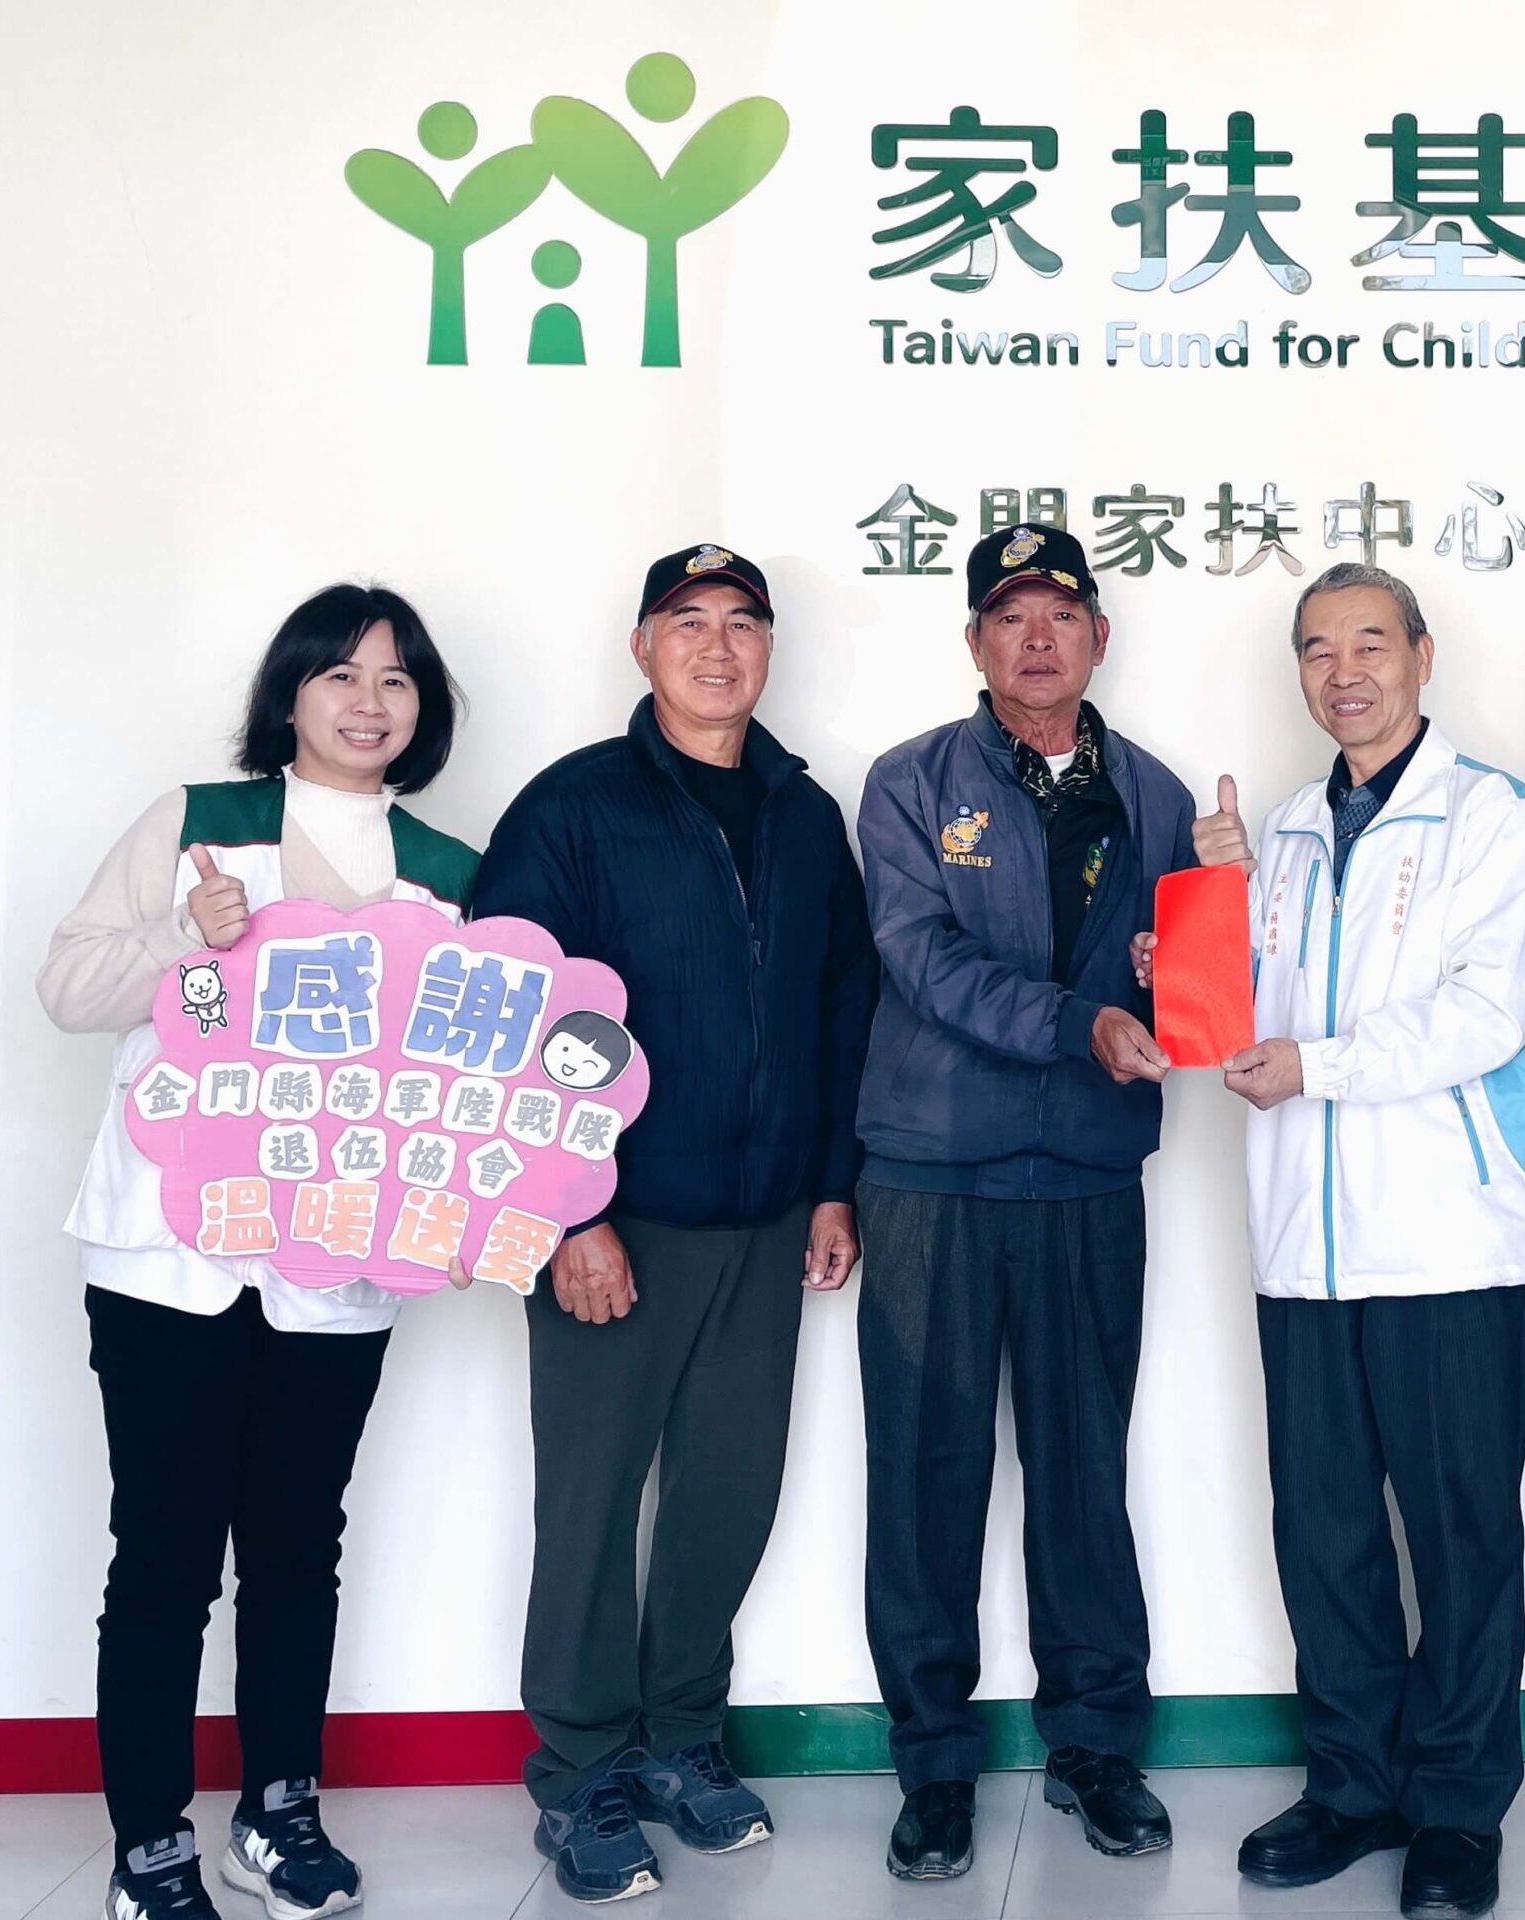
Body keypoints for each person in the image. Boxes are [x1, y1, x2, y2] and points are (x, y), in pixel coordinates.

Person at [38, 583, 477, 1920]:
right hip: (171, 1257)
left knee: (297, 1549)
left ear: (424, 709)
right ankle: (149, 1847)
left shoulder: (450, 874)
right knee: (164, 1555)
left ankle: (278, 1816)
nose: (367, 702)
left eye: (396, 679)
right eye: (338, 674)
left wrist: (466, 1209)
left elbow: (461, 1089)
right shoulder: (196, 825)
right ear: (288, 696)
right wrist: (190, 940)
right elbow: (67, 987)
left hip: (335, 1270)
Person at [1138, 562, 1525, 1920]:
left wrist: (1313, 1066)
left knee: (1460, 1539)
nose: (1345, 671)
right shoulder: (1281, 830)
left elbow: (1486, 1013)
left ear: (1424, 656)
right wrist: (1194, 941)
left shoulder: (1493, 816)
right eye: (1319, 650)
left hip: (1446, 1241)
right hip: (1302, 1247)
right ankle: (1353, 1784)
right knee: (1323, 1533)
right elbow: (1250, 1010)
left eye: (1371, 642)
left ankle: (1458, 1810)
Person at [468, 544, 877, 1905]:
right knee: (591, 1500)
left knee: (728, 1491)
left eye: (742, 623)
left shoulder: (803, 815)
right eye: (687, 622)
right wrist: (570, 1211)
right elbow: (511, 1014)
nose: (717, 646)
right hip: (615, 1222)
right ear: (643, 647)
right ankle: (582, 1770)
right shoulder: (574, 808)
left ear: (769, 647)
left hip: (767, 1221)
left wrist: (833, 1183)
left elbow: (842, 1005)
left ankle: (681, 1736)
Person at [853, 523, 1193, 1881]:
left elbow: (1185, 984)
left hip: (1089, 1176)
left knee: (1082, 1470)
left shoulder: (1160, 796)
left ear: (1100, 636)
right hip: (933, 1173)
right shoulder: (910, 782)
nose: (1037, 638)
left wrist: (1179, 969)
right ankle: (935, 1764)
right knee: (924, 1477)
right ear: (976, 642)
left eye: (1061, 613)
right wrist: (1079, 1022)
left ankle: (1096, 1745)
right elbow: (920, 957)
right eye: (1010, 616)